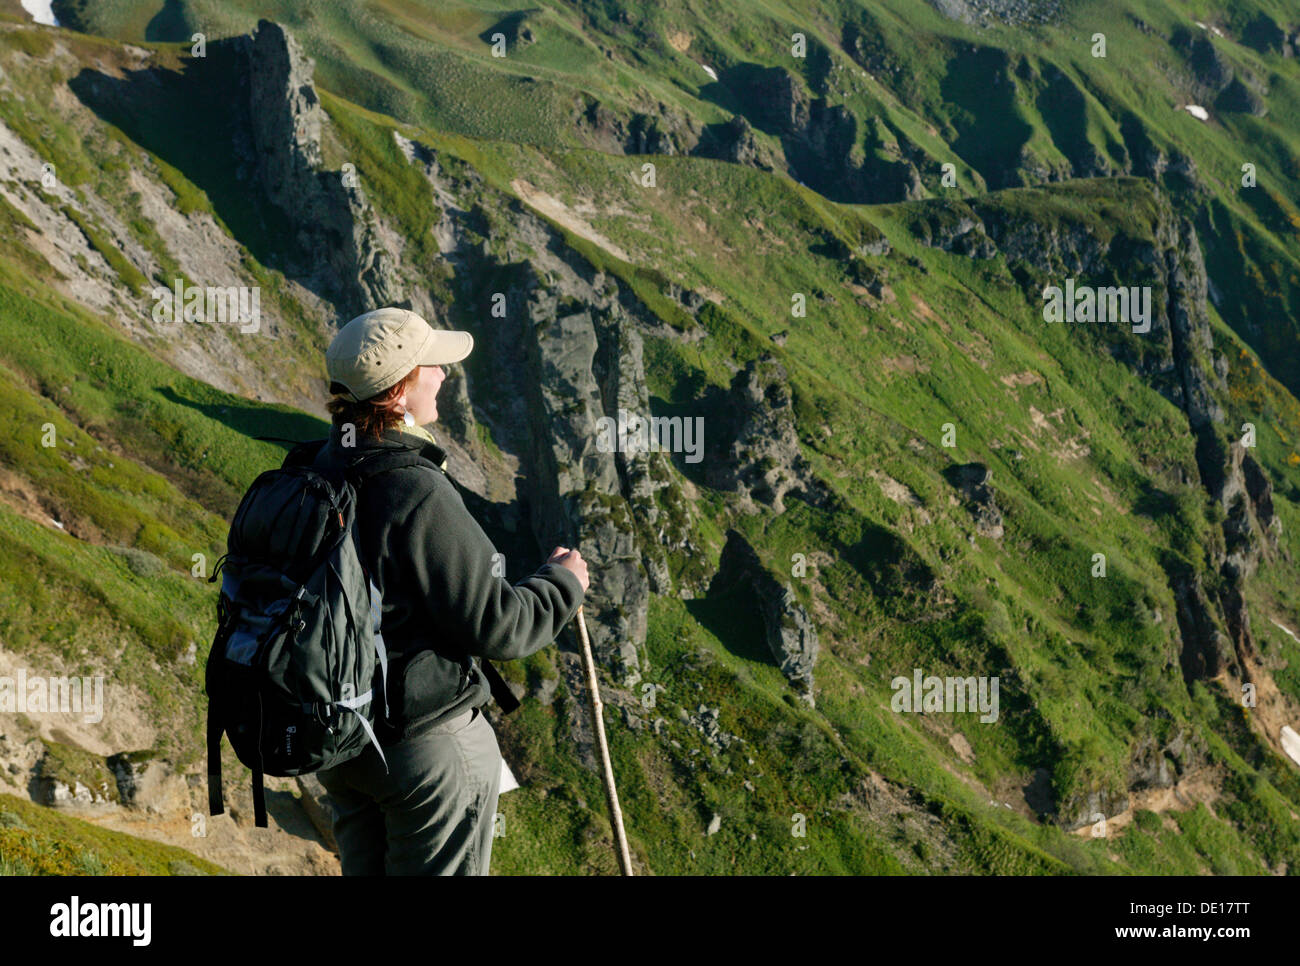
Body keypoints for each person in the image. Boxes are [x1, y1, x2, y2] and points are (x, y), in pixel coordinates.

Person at [312, 306, 589, 875]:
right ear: (399, 389)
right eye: (433, 365)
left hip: (342, 742)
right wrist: (563, 583)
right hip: (424, 749)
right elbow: (500, 624)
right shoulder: (414, 488)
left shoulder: (321, 467)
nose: (444, 375)